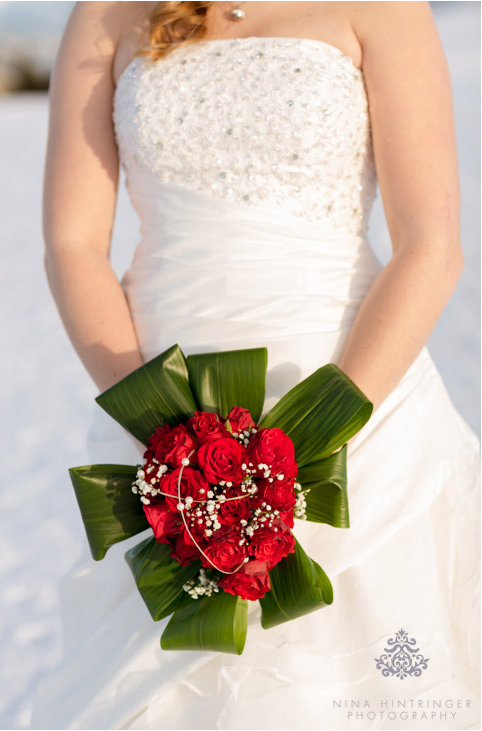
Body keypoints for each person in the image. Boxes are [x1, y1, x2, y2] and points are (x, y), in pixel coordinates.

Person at [34, 2, 480, 728]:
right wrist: (164, 434)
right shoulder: (108, 12)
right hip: (159, 408)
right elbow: (72, 244)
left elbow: (431, 244)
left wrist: (315, 432)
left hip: (355, 401)